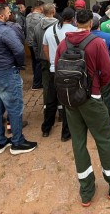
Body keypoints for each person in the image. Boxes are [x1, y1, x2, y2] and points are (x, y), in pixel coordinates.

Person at [54, 9, 110, 207]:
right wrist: (97, 89)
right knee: (104, 140)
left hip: (70, 100)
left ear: (75, 22)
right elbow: (108, 73)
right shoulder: (97, 43)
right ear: (91, 23)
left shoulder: (63, 43)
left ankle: (86, 190)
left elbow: (57, 68)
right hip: (92, 97)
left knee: (78, 142)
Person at [0, 3, 38, 155]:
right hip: (7, 73)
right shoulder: (5, 31)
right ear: (1, 15)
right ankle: (17, 142)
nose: (10, 14)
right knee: (15, 108)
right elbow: (19, 50)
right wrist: (19, 64)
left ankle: (0, 142)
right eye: (8, 12)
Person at [42, 8, 77, 140]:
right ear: (73, 18)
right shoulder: (75, 31)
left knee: (51, 100)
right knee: (68, 102)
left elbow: (45, 47)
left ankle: (46, 128)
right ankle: (66, 133)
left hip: (54, 70)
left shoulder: (50, 30)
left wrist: (51, 61)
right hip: (69, 70)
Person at [25, 1, 45, 90]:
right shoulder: (41, 18)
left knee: (34, 61)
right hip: (37, 43)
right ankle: (37, 83)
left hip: (29, 42)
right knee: (39, 62)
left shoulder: (28, 16)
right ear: (40, 7)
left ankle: (36, 78)